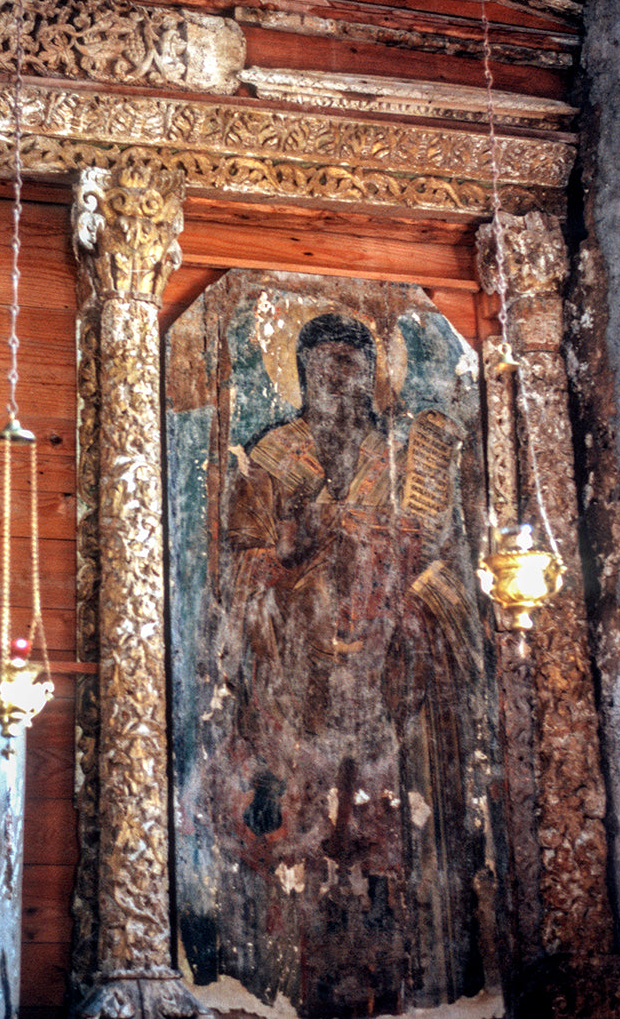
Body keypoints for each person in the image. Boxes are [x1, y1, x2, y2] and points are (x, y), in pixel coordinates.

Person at [195, 313, 485, 1016]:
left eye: (351, 366)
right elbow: (240, 566)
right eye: (323, 366)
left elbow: (443, 558)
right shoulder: (271, 457)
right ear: (301, 373)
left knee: (384, 834)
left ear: (372, 375)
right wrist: (305, 541)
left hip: (387, 675)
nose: (337, 379)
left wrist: (402, 580)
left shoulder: (403, 456)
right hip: (295, 677)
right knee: (299, 832)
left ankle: (410, 971)